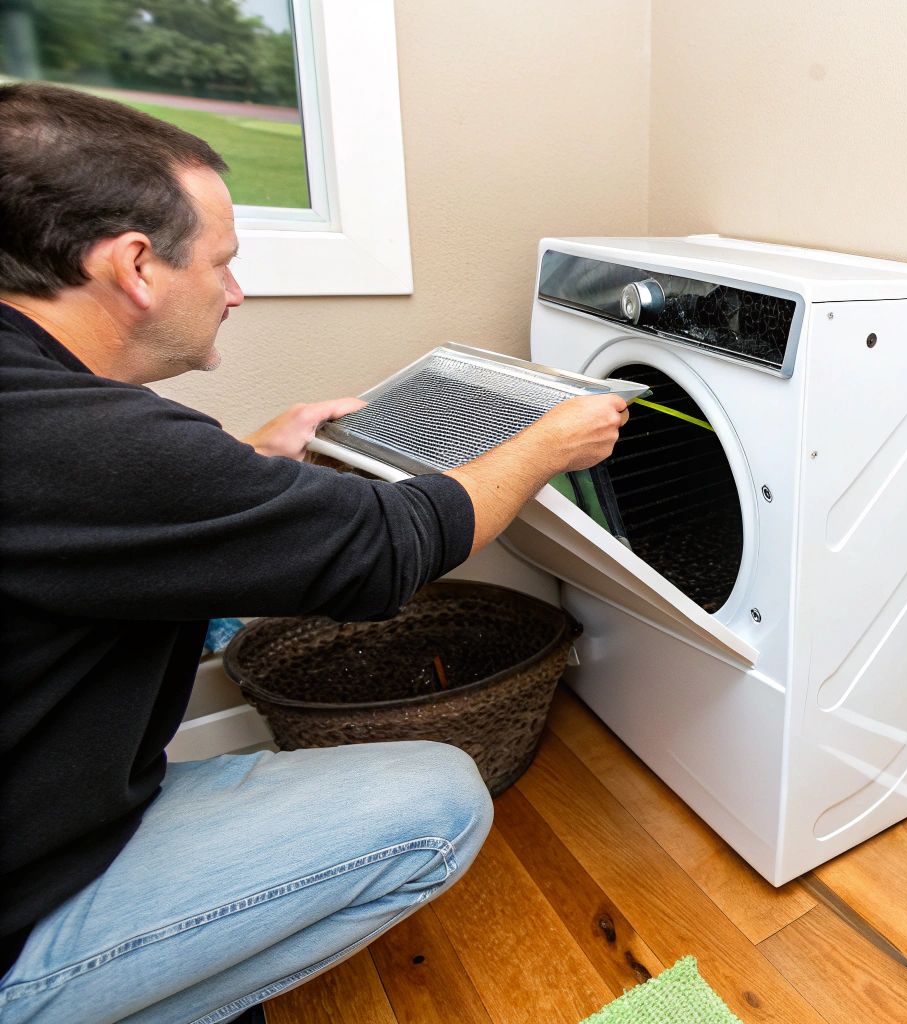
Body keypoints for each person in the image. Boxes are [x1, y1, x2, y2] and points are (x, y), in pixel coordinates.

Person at [0, 83, 630, 1023]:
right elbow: (391, 546)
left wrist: (246, 468)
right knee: (441, 802)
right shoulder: (86, 443)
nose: (236, 290)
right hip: (17, 914)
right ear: (135, 266)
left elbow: (95, 520)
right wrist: (550, 441)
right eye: (223, 262)